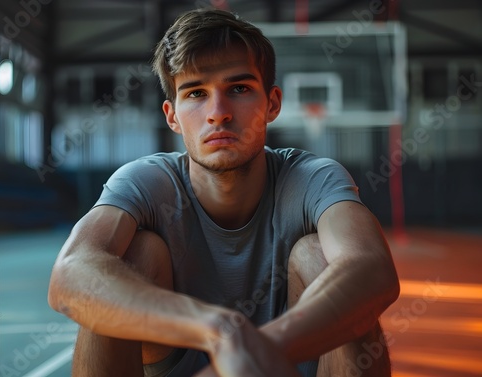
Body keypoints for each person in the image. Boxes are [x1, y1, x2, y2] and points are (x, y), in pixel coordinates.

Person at [48, 8, 400, 377]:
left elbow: (372, 267)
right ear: (172, 115)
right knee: (131, 258)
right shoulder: (146, 181)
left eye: (239, 89)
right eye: (196, 93)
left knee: (316, 256)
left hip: (284, 366)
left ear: (272, 104)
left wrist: (255, 351)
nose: (218, 113)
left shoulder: (313, 177)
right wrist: (221, 331)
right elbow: (70, 276)